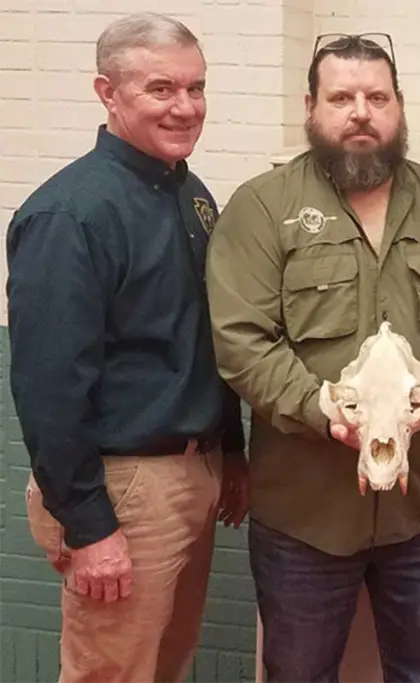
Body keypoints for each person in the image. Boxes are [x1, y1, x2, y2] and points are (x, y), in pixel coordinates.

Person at [204, 32, 420, 683]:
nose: (360, 112)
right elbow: (242, 341)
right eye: (342, 97)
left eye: (377, 96)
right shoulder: (262, 209)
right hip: (304, 520)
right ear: (310, 107)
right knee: (299, 673)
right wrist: (319, 406)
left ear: (399, 106)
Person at [5, 12, 249, 683]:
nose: (186, 106)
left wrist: (231, 449)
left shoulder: (189, 194)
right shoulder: (69, 215)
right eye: (161, 89)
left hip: (194, 469)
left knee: (166, 664)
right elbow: (49, 388)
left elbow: (204, 333)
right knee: (110, 672)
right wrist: (89, 525)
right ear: (107, 93)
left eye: (197, 88)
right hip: (123, 486)